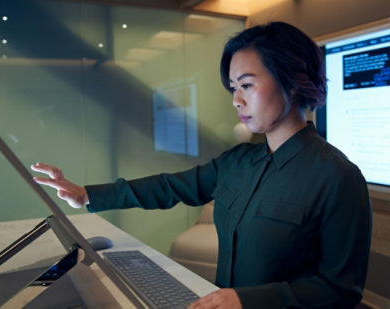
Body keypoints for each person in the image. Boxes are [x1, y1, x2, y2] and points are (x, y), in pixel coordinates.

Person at [31, 22, 372, 309]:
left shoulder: (338, 177)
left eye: (248, 85)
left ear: (294, 81)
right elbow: (169, 186)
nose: (237, 100)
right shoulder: (238, 161)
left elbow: (340, 290)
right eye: (234, 87)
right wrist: (86, 194)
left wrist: (246, 301)